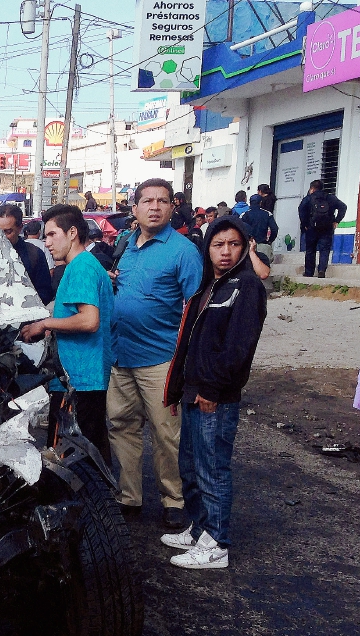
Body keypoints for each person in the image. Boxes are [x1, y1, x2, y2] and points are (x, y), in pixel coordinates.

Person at [162, 217, 267, 569]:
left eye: (233, 244)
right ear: (207, 248)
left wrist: (212, 389)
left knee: (213, 469)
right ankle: (200, 530)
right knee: (189, 467)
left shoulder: (247, 287)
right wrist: (180, 390)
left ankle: (217, 544)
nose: (225, 251)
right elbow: (191, 342)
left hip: (215, 397)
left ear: (245, 247)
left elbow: (239, 349)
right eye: (218, 244)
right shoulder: (212, 284)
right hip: (195, 391)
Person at [109, 177, 203, 528]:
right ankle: (129, 497)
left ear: (171, 207)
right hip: (121, 357)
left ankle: (174, 501)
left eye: (162, 201)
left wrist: (189, 363)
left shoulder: (183, 251)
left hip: (161, 360)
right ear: (134, 208)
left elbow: (195, 310)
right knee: (122, 427)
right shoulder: (125, 244)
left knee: (166, 435)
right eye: (147, 200)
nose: (155, 206)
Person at [20, 204, 115, 465]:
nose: (46, 242)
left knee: (75, 461)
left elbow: (89, 320)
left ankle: (90, 507)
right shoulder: (83, 265)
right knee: (91, 453)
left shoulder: (81, 267)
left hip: (82, 378)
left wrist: (45, 324)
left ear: (72, 232)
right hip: (82, 376)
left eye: (52, 235)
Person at [0, 204, 55, 304]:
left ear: (20, 228)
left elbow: (45, 293)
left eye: (8, 232)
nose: (2, 236)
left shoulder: (34, 254)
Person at [298, 179, 347, 278]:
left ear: (312, 189)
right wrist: (337, 220)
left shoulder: (308, 198)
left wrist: (305, 224)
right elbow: (343, 207)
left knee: (310, 250)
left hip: (311, 228)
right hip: (327, 228)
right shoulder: (330, 198)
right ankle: (321, 271)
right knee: (324, 250)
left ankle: (309, 272)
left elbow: (301, 210)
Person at [240, 194, 279, 262]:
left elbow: (239, 229)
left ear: (250, 202)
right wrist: (269, 241)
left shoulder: (244, 215)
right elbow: (274, 229)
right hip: (262, 245)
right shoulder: (267, 214)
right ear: (260, 202)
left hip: (248, 246)